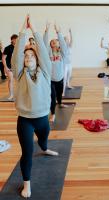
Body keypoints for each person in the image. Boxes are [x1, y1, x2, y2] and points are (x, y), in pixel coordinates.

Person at [11, 15, 58, 198]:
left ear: (38, 59)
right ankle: (27, 184)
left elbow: (44, 53)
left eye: (32, 55)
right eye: (26, 56)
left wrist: (35, 30)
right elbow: (16, 57)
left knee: (44, 140)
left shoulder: (45, 71)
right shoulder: (19, 74)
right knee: (27, 153)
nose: (28, 57)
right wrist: (23, 30)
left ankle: (45, 148)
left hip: (42, 119)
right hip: (25, 121)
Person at [43, 21, 69, 122]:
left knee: (59, 94)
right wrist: (46, 31)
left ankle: (61, 103)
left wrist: (58, 33)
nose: (54, 42)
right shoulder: (47, 53)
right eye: (52, 41)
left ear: (58, 43)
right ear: (50, 45)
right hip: (51, 80)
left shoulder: (62, 54)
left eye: (55, 41)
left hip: (60, 78)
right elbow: (44, 44)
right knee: (52, 97)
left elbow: (63, 45)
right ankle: (53, 113)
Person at [2, 34, 18, 100]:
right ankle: (11, 95)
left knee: (19, 81)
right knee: (11, 80)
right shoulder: (8, 48)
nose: (17, 40)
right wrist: (6, 67)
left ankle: (18, 94)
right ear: (12, 40)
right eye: (16, 39)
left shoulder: (19, 47)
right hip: (9, 66)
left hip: (17, 66)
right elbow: (3, 58)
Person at [62, 28, 73, 96]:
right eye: (66, 39)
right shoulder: (62, 47)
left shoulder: (69, 46)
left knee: (69, 75)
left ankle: (68, 84)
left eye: (68, 39)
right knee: (64, 78)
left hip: (69, 64)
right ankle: (63, 92)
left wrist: (70, 32)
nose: (68, 40)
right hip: (64, 64)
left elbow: (72, 40)